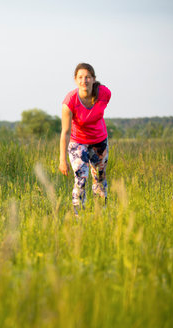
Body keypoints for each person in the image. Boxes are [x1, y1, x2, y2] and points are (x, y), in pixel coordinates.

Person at [59, 63, 111, 215]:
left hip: (99, 141)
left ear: (94, 79)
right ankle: (78, 215)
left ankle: (100, 214)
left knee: (100, 178)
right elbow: (65, 132)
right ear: (75, 80)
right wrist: (62, 159)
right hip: (77, 142)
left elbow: (101, 108)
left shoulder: (104, 93)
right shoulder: (69, 101)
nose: (84, 81)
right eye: (80, 77)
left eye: (88, 77)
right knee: (81, 177)